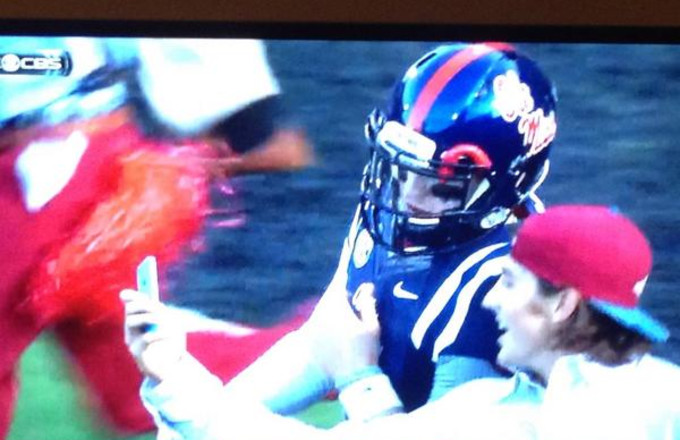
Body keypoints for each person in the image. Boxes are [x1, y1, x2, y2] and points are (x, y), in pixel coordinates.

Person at [178, 41, 558, 419]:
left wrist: (358, 375)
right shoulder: (390, 213)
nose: (409, 197)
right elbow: (321, 342)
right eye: (401, 170)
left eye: (442, 187)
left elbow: (436, 430)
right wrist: (208, 416)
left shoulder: (503, 279)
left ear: (508, 185)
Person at [123, 204, 680, 439]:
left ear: (562, 304)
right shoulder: (486, 406)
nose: (491, 302)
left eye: (508, 283)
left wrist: (358, 377)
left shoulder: (497, 422)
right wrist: (172, 375)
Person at [0, 37, 312, 438]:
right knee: (133, 386)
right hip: (68, 154)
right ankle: (332, 351)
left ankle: (335, 350)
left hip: (50, 161)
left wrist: (247, 117)